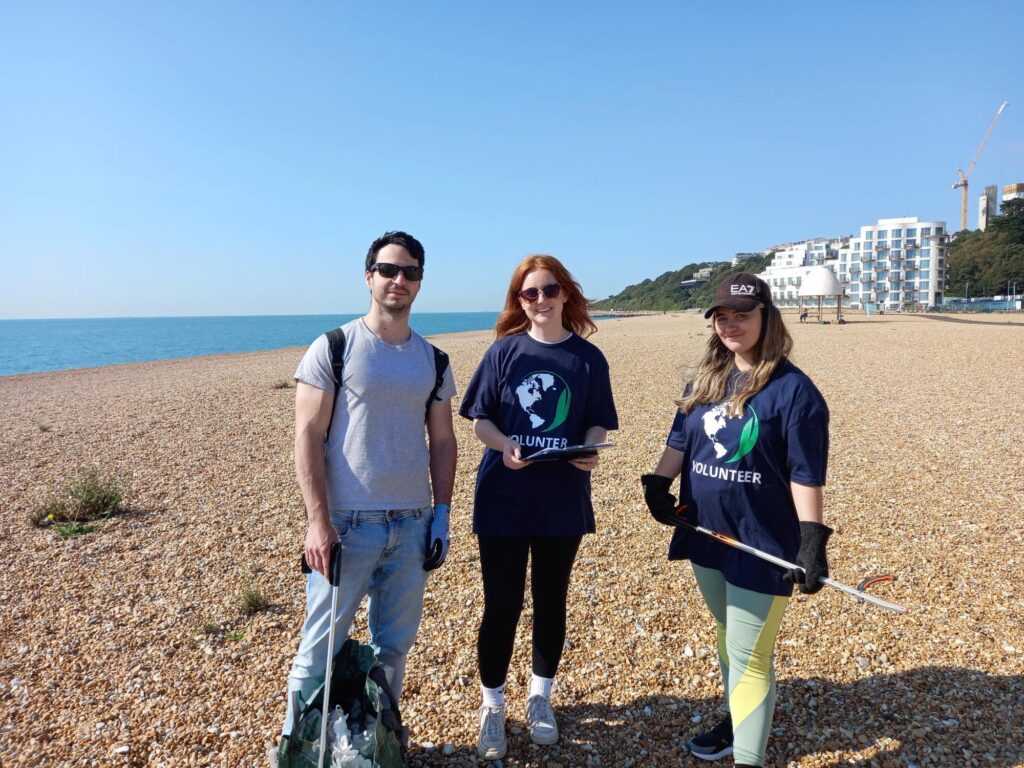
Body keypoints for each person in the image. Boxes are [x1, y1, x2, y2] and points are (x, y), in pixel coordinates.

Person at [641, 273, 831, 767]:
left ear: (766, 316)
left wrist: (812, 541)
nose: (730, 325)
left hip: (761, 543)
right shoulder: (706, 380)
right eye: (722, 317)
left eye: (741, 315)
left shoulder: (795, 392)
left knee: (750, 657)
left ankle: (749, 757)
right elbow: (681, 441)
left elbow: (806, 474)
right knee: (730, 638)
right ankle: (734, 719)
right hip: (706, 533)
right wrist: (659, 485)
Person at [279, 231, 458, 741]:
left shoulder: (434, 360)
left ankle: (376, 742)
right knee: (319, 651)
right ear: (369, 276)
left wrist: (441, 515)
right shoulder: (333, 348)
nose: (399, 280)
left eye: (410, 272)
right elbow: (307, 437)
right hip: (347, 526)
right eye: (388, 270)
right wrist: (317, 522)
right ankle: (299, 745)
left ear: (420, 283)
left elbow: (443, 442)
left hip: (412, 524)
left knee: (393, 650)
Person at [459, 255, 618, 760]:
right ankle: (492, 706)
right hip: (504, 497)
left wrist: (590, 449)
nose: (542, 300)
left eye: (550, 291)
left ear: (566, 294)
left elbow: (597, 423)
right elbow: (479, 418)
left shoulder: (588, 359)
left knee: (551, 600)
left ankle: (540, 698)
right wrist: (504, 445)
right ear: (519, 300)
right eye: (530, 294)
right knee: (501, 605)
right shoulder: (503, 353)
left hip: (561, 499)